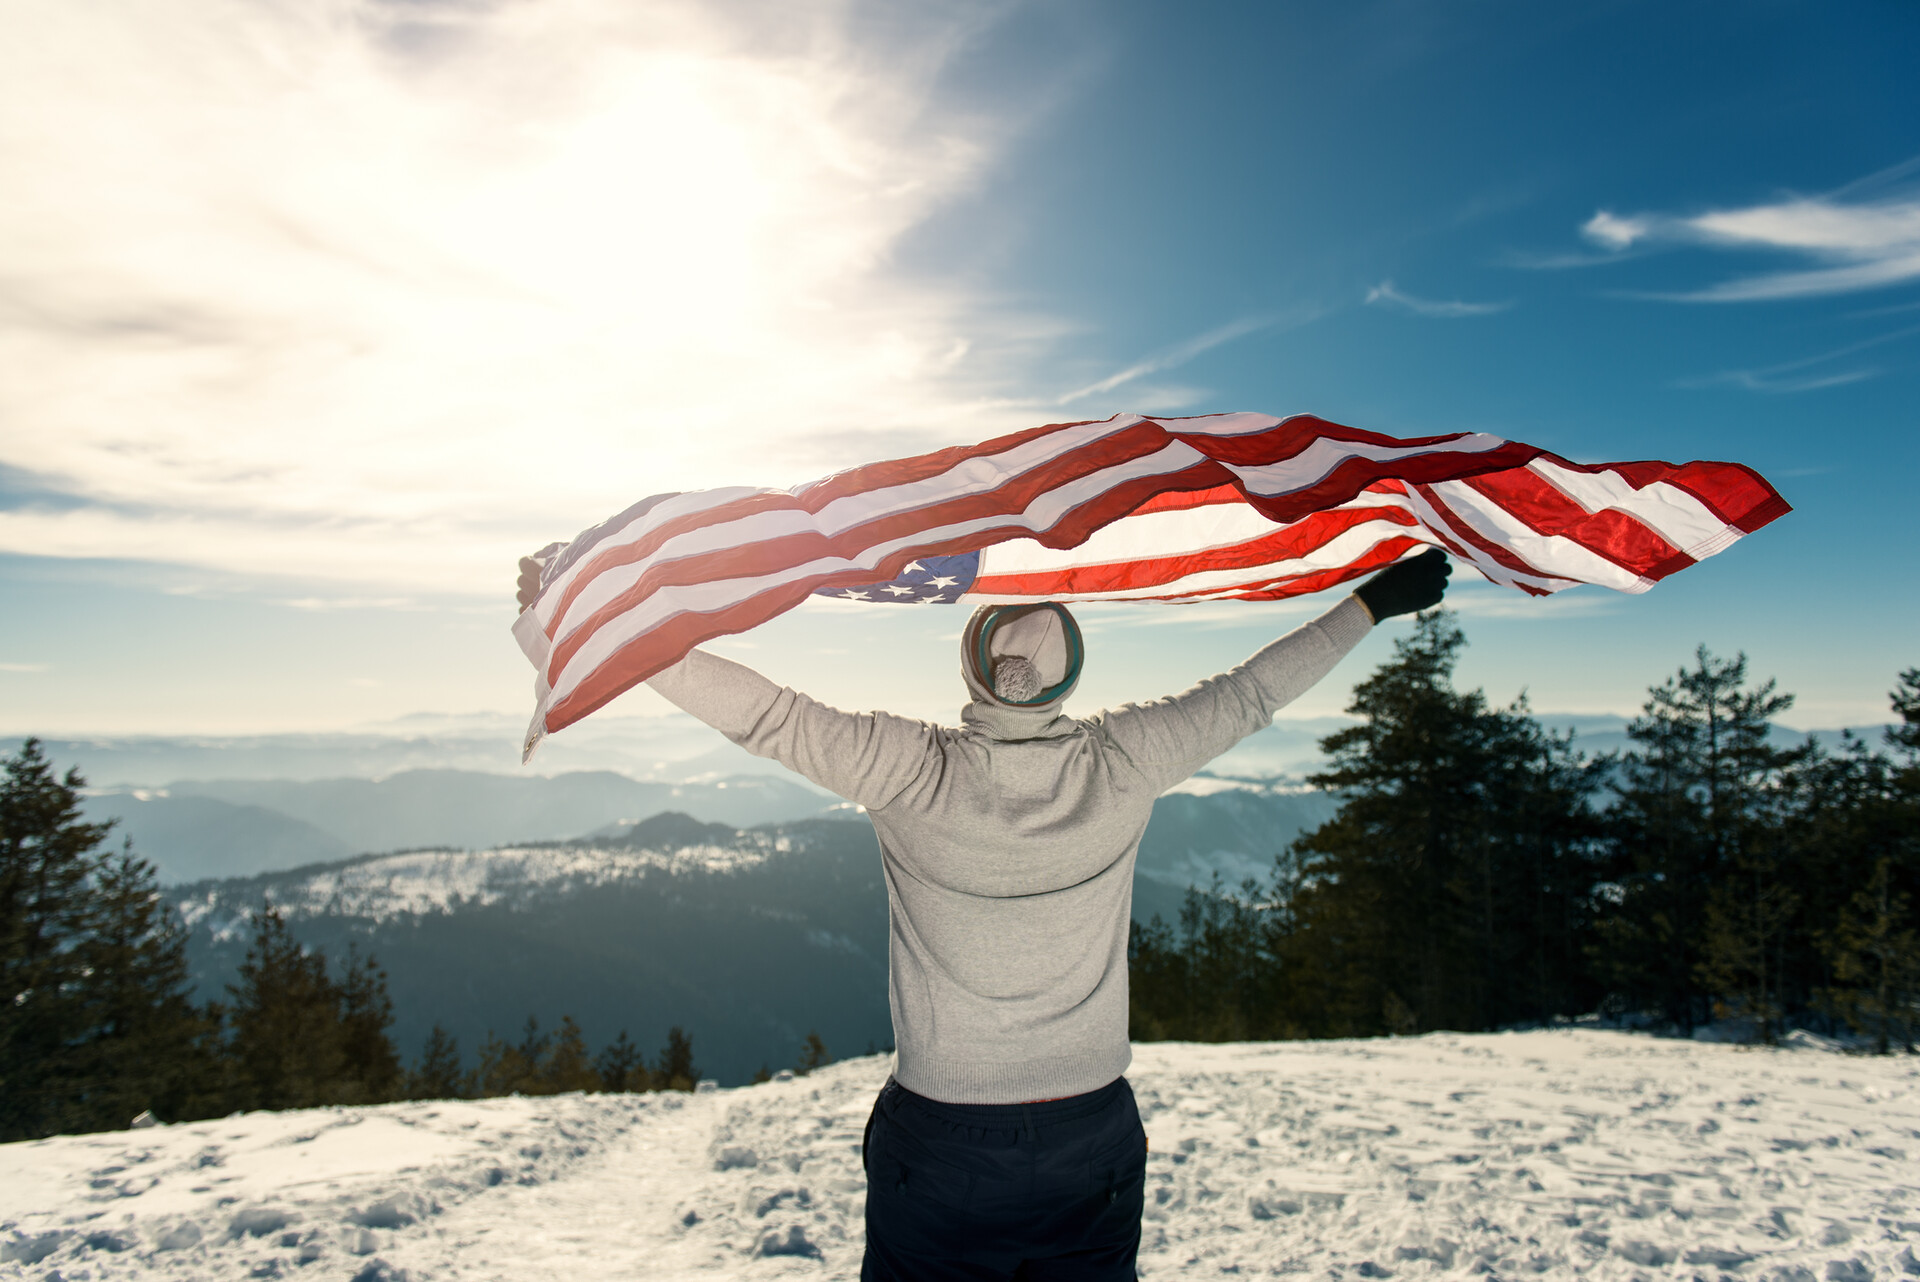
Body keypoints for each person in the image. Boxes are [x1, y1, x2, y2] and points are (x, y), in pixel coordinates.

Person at [516, 548, 1450, 1280]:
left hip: (948, 1140)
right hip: (1094, 1133)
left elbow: (760, 713)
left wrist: (581, 625)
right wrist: (1368, 605)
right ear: (1067, 676)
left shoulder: (911, 771)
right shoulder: (1127, 761)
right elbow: (1253, 691)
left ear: (973, 667)